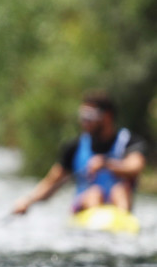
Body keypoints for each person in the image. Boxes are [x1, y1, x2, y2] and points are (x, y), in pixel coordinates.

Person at [12, 91, 147, 215]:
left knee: (119, 191)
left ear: (107, 116)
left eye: (89, 116)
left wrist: (106, 164)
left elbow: (135, 166)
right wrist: (27, 201)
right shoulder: (74, 147)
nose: (83, 121)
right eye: (82, 115)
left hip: (119, 205)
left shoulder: (129, 141)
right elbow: (51, 183)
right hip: (86, 205)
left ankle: (120, 225)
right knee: (95, 193)